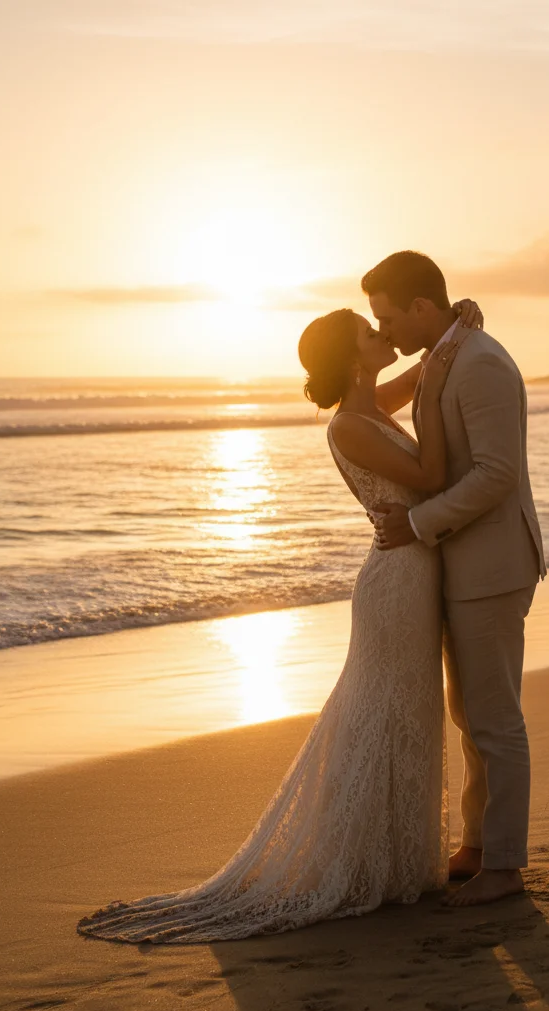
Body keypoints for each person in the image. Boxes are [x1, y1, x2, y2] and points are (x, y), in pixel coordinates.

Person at [76, 296, 483, 942]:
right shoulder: (347, 426)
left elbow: (424, 376)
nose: (381, 332)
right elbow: (431, 474)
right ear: (351, 360)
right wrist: (446, 361)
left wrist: (454, 330)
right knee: (384, 712)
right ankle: (359, 864)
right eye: (366, 331)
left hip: (413, 574)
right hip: (395, 586)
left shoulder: (371, 405)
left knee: (407, 711)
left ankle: (398, 860)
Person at [366, 251, 546, 907]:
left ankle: (504, 865)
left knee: (496, 721)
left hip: (493, 565)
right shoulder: (447, 357)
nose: (380, 331)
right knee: (470, 716)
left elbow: (496, 474)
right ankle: (477, 845)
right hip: (460, 564)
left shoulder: (483, 364)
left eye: (385, 318)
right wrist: (424, 359)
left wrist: (417, 525)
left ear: (421, 308)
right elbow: (373, 400)